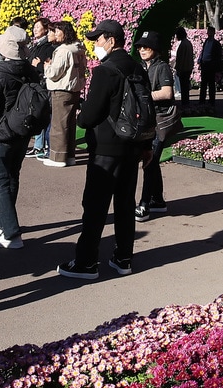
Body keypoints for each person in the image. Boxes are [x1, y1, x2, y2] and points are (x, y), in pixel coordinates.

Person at [58, 19, 142, 280]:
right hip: (133, 144)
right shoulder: (137, 67)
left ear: (111, 40)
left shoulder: (105, 71)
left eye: (98, 39)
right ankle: (123, 258)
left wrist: (81, 117)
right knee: (125, 204)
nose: (95, 44)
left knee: (95, 206)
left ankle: (86, 262)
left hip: (106, 147)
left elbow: (90, 115)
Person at [0, 26, 41, 249]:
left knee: (0, 181)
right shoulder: (30, 71)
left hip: (1, 133)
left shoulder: (1, 75)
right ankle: (3, 220)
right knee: (13, 177)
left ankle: (11, 232)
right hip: (22, 132)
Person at [133, 31, 179, 221]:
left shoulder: (162, 68)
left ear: (155, 49)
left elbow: (168, 93)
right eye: (140, 47)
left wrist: (144, 97)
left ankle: (144, 204)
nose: (142, 50)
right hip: (150, 120)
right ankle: (158, 201)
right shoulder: (145, 67)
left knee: (149, 162)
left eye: (147, 47)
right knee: (152, 162)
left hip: (161, 120)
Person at [41, 20, 87, 168]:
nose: (53, 34)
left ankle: (57, 157)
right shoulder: (78, 48)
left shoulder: (63, 50)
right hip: (74, 89)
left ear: (64, 32)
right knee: (70, 124)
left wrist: (47, 67)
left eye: (56, 31)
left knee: (58, 125)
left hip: (61, 89)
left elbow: (54, 73)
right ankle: (70, 156)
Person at [26, 18, 56, 159]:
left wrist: (37, 65)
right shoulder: (37, 45)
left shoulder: (48, 47)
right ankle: (38, 146)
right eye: (34, 27)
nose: (35, 29)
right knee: (38, 113)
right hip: (35, 83)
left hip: (42, 84)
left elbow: (45, 66)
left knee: (42, 114)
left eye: (38, 27)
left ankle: (42, 146)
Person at [197, 27, 223, 107]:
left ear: (213, 33)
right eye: (208, 31)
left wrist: (215, 65)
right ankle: (202, 100)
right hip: (204, 65)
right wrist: (200, 61)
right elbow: (203, 51)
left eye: (210, 31)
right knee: (203, 84)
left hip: (211, 65)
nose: (208, 33)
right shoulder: (206, 41)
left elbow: (219, 55)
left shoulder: (216, 43)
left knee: (211, 84)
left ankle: (211, 101)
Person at [173, 26, 194, 108]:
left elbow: (180, 58)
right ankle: (186, 102)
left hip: (183, 68)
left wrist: (177, 68)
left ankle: (184, 103)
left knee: (183, 87)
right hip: (188, 68)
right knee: (186, 87)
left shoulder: (182, 44)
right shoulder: (188, 43)